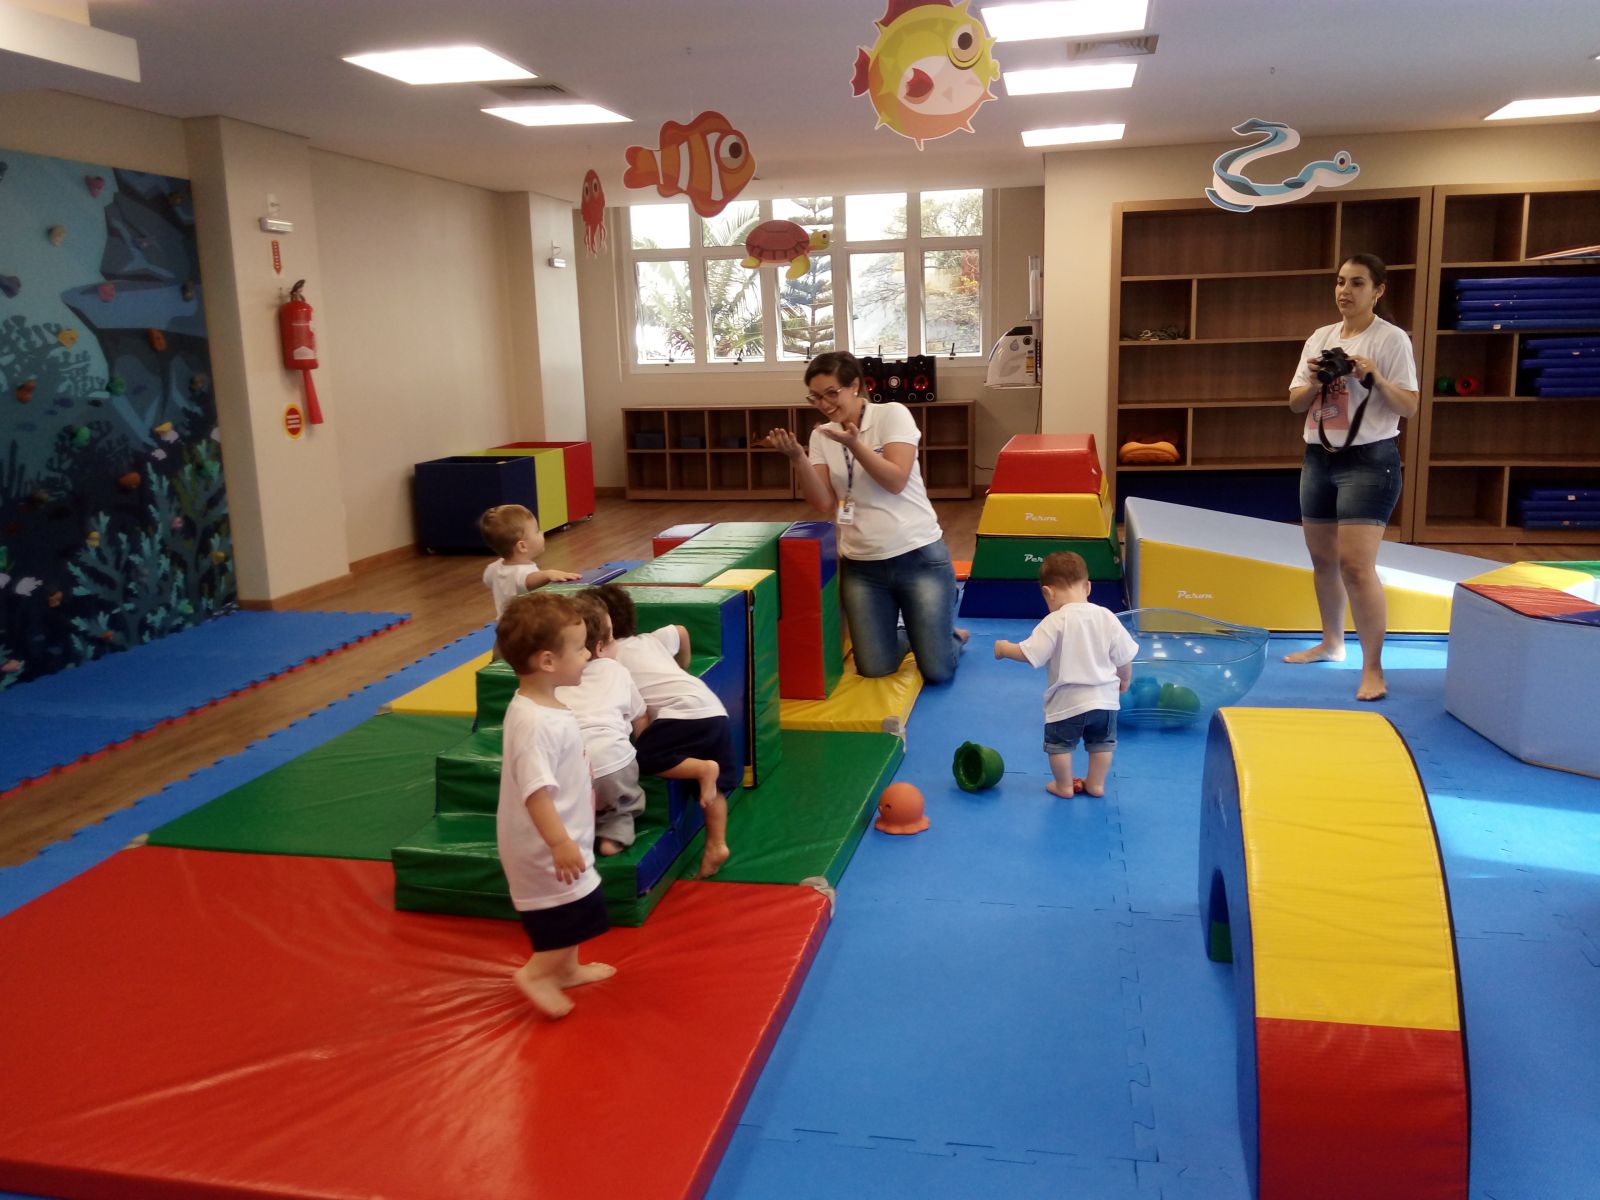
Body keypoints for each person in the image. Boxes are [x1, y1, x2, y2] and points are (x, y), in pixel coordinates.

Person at [764, 350, 967, 684]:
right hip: (862, 567)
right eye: (815, 397)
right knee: (874, 667)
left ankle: (946, 637)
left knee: (937, 671)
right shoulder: (821, 435)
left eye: (831, 393)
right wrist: (798, 458)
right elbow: (823, 502)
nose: (824, 404)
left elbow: (895, 481)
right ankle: (915, 633)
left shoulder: (892, 415)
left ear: (855, 386)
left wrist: (855, 444)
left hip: (918, 557)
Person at [1284, 253, 1420, 702]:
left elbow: (1408, 406)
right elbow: (1295, 403)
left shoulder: (1391, 339)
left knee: (1357, 567)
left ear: (1378, 291)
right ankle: (1331, 643)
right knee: (1323, 560)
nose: (1345, 291)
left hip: (1370, 460)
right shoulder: (1320, 337)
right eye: (1341, 282)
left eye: (1357, 283)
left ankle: (1373, 669)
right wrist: (1317, 381)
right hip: (1318, 457)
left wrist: (1373, 376)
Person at [494, 591, 614, 1020]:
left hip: (565, 835)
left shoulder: (545, 706)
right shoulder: (534, 723)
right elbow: (535, 793)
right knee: (573, 911)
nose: (588, 654)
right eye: (579, 648)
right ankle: (538, 973)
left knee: (577, 905)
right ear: (547, 661)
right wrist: (559, 842)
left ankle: (566, 969)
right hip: (545, 846)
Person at [592, 584, 734, 879]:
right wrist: (683, 667)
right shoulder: (650, 640)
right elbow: (681, 631)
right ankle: (716, 843)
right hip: (712, 709)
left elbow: (633, 713)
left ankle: (704, 769)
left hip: (680, 716)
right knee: (713, 788)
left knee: (642, 758)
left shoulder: (608, 663)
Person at [993, 551, 1139, 799]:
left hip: (1067, 703)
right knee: (1102, 744)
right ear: (1088, 587)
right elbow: (1124, 657)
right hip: (1105, 701)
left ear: (1047, 593)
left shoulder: (1055, 621)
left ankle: (1063, 785)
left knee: (1059, 746)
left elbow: (1030, 653)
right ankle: (1096, 783)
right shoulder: (1106, 616)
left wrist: (1005, 649)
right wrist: (1124, 679)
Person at [554, 590, 650, 858]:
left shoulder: (558, 679)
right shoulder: (616, 670)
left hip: (571, 766)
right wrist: (643, 750)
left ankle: (575, 828)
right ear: (599, 648)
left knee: (569, 801)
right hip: (613, 763)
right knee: (622, 802)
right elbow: (640, 716)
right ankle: (615, 831)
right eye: (612, 638)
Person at [478, 504, 581, 619]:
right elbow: (528, 579)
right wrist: (548, 574)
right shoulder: (521, 573)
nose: (542, 532)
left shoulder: (493, 568)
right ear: (522, 546)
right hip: (524, 625)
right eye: (537, 531)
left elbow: (487, 580)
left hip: (505, 623)